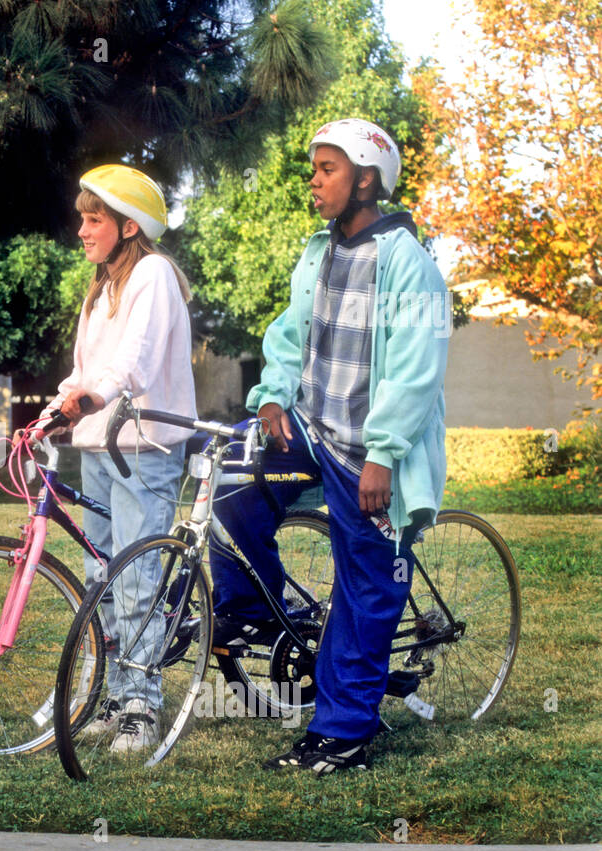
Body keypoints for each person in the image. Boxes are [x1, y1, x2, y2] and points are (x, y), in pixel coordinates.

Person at [210, 118, 449, 774]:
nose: (313, 180)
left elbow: (417, 367)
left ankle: (344, 732)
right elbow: (289, 335)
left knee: (368, 585)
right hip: (312, 431)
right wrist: (273, 396)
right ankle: (254, 611)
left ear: (367, 178)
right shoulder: (318, 252)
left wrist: (385, 452)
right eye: (312, 168)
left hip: (369, 450)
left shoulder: (407, 260)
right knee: (232, 473)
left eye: (328, 169)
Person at [39, 164, 197, 754]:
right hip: (99, 448)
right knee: (99, 576)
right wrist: (53, 412)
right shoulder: (101, 288)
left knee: (136, 579)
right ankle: (111, 695)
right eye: (81, 217)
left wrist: (95, 397)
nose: (81, 229)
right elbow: (84, 372)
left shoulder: (152, 275)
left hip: (144, 449)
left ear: (129, 227)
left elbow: (137, 359)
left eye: (94, 218)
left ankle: (141, 706)